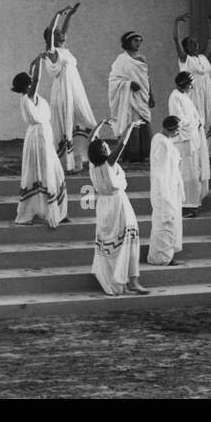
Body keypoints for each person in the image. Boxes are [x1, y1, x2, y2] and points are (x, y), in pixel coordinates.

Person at [86, 118, 149, 296]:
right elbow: (121, 144)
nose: (108, 146)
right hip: (118, 204)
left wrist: (101, 123)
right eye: (105, 145)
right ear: (103, 151)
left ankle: (123, 279)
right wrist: (130, 126)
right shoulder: (108, 164)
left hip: (104, 206)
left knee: (112, 242)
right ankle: (131, 281)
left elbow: (91, 139)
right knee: (129, 241)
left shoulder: (92, 164)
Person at [10, 55, 69, 228]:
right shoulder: (29, 96)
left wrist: (35, 61)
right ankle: (50, 212)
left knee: (51, 171)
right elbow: (36, 78)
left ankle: (57, 211)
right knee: (47, 171)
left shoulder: (27, 97)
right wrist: (40, 60)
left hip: (40, 134)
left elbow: (32, 75)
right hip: (39, 136)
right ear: (27, 85)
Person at [41, 3, 97, 173]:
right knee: (67, 123)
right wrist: (58, 14)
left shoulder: (64, 49)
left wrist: (70, 16)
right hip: (63, 91)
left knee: (84, 120)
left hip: (75, 89)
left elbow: (63, 32)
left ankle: (81, 156)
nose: (62, 35)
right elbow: (51, 32)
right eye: (58, 34)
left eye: (61, 34)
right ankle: (68, 162)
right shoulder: (52, 52)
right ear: (52, 38)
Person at [174, 12, 211, 160]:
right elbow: (176, 40)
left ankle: (206, 151)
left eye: (196, 42)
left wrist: (210, 22)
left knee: (208, 117)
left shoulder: (203, 57)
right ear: (186, 47)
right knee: (197, 119)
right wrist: (177, 23)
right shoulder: (185, 59)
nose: (195, 44)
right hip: (194, 93)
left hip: (207, 92)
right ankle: (195, 149)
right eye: (191, 43)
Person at [107, 31, 153, 163]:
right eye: (135, 40)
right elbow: (113, 80)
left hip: (141, 95)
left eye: (140, 40)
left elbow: (146, 79)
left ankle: (144, 152)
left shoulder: (142, 59)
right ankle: (130, 153)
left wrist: (151, 95)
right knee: (131, 122)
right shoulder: (121, 60)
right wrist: (128, 84)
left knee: (143, 122)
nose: (138, 43)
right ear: (128, 42)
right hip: (128, 98)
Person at [168, 71, 210, 214]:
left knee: (193, 173)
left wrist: (198, 122)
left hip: (192, 140)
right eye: (190, 83)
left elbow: (193, 117)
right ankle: (185, 205)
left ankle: (193, 203)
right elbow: (178, 120)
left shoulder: (184, 97)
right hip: (184, 141)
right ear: (184, 83)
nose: (191, 86)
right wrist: (196, 123)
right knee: (186, 173)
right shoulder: (175, 97)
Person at [147, 115, 185, 267]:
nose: (178, 133)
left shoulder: (162, 139)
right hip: (165, 190)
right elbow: (161, 172)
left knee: (169, 223)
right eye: (177, 130)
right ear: (171, 129)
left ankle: (164, 255)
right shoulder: (161, 143)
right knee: (165, 223)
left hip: (170, 187)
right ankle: (162, 257)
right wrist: (166, 196)